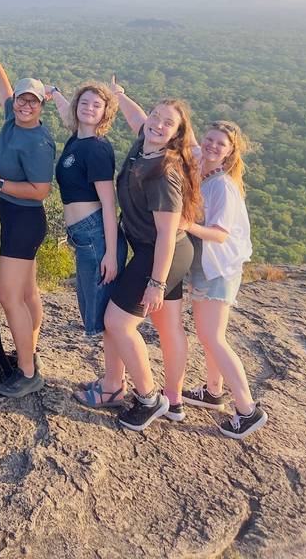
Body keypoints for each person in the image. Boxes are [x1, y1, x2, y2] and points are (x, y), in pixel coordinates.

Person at [104, 78, 201, 431]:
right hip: (164, 251)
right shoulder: (145, 145)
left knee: (118, 322)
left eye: (167, 123)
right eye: (156, 116)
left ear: (176, 134)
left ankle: (149, 397)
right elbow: (138, 119)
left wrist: (156, 283)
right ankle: (173, 400)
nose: (157, 124)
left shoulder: (163, 172)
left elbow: (165, 235)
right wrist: (120, 96)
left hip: (162, 253)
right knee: (168, 326)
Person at [181, 120, 268, 439]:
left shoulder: (222, 186)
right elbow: (186, 135)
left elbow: (219, 234)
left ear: (231, 152)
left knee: (213, 337)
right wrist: (121, 98)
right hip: (207, 267)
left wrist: (185, 224)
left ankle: (247, 410)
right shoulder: (202, 165)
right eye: (210, 139)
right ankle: (213, 391)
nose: (212, 146)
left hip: (219, 269)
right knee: (209, 336)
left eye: (221, 144)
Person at [0, 60, 56, 398]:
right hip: (13, 216)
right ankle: (29, 352)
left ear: (42, 105)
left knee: (8, 296)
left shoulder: (37, 142)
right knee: (26, 294)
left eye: (32, 101)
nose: (25, 105)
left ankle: (27, 372)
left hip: (25, 220)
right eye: (22, 99)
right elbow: (4, 94)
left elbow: (41, 190)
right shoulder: (13, 117)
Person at [45, 81, 128, 409]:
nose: (89, 108)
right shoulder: (76, 139)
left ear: (106, 113)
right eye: (84, 102)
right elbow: (67, 112)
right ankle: (112, 380)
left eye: (97, 105)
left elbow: (109, 203)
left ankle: (113, 386)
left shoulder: (96, 148)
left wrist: (110, 254)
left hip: (97, 238)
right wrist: (54, 92)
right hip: (85, 238)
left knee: (107, 319)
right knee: (101, 314)